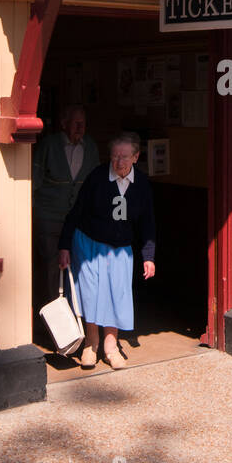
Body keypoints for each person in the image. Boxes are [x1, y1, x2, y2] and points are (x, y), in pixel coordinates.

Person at [57, 132, 156, 369]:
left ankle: (111, 347)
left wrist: (148, 256)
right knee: (90, 294)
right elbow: (76, 212)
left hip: (121, 248)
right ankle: (91, 345)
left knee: (116, 294)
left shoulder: (141, 184)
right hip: (89, 243)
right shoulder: (97, 178)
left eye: (124, 157)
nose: (118, 162)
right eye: (114, 157)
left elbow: (148, 223)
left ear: (136, 157)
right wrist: (64, 245)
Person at [32, 105, 100, 314]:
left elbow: (97, 182)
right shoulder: (49, 145)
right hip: (49, 218)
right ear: (64, 124)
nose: (80, 127)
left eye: (83, 123)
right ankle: (52, 319)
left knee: (81, 266)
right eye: (75, 122)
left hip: (79, 221)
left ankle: (75, 316)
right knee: (52, 267)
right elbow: (34, 180)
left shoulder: (90, 147)